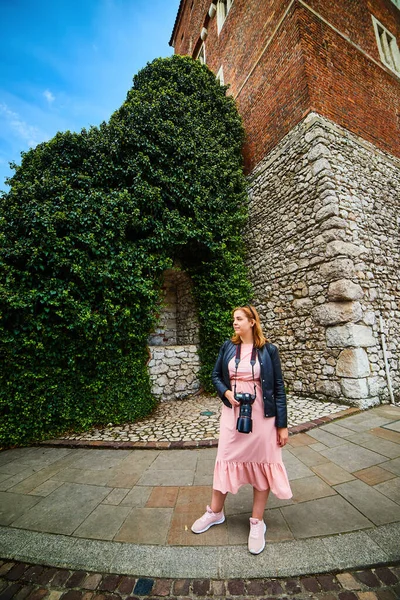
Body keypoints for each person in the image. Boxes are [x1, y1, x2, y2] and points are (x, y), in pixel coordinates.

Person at [191, 305, 292, 554]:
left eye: (239, 319)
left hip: (262, 416)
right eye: (233, 319)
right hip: (233, 413)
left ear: (252, 322)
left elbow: (278, 388)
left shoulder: (269, 350)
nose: (234, 323)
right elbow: (215, 376)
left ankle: (257, 522)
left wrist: (282, 425)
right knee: (225, 457)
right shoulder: (228, 347)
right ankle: (215, 513)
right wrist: (226, 392)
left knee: (263, 463)